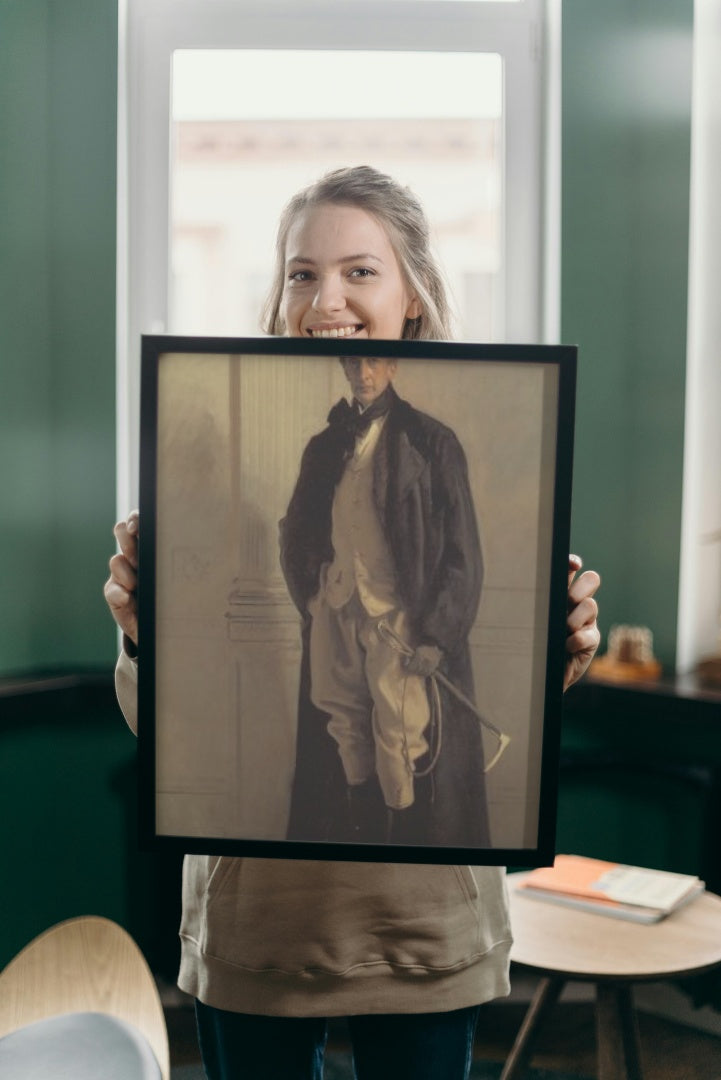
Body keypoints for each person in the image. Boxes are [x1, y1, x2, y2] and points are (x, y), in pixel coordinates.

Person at [105, 166, 601, 1080]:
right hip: (261, 926)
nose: (324, 298)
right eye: (301, 273)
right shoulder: (320, 443)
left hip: (422, 926)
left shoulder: (435, 442)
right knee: (341, 737)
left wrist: (546, 657)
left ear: (412, 295)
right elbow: (169, 713)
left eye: (359, 271)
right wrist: (149, 637)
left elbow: (465, 571)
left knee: (402, 749)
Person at [279, 347, 488, 850]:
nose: (364, 373)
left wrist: (436, 634)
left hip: (396, 619)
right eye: (354, 364)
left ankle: (404, 849)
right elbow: (297, 530)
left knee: (397, 735)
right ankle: (363, 843)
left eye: (374, 363)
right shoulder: (325, 446)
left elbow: (463, 552)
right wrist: (312, 596)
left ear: (393, 367)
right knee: (346, 724)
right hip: (337, 606)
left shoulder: (431, 443)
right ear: (344, 369)